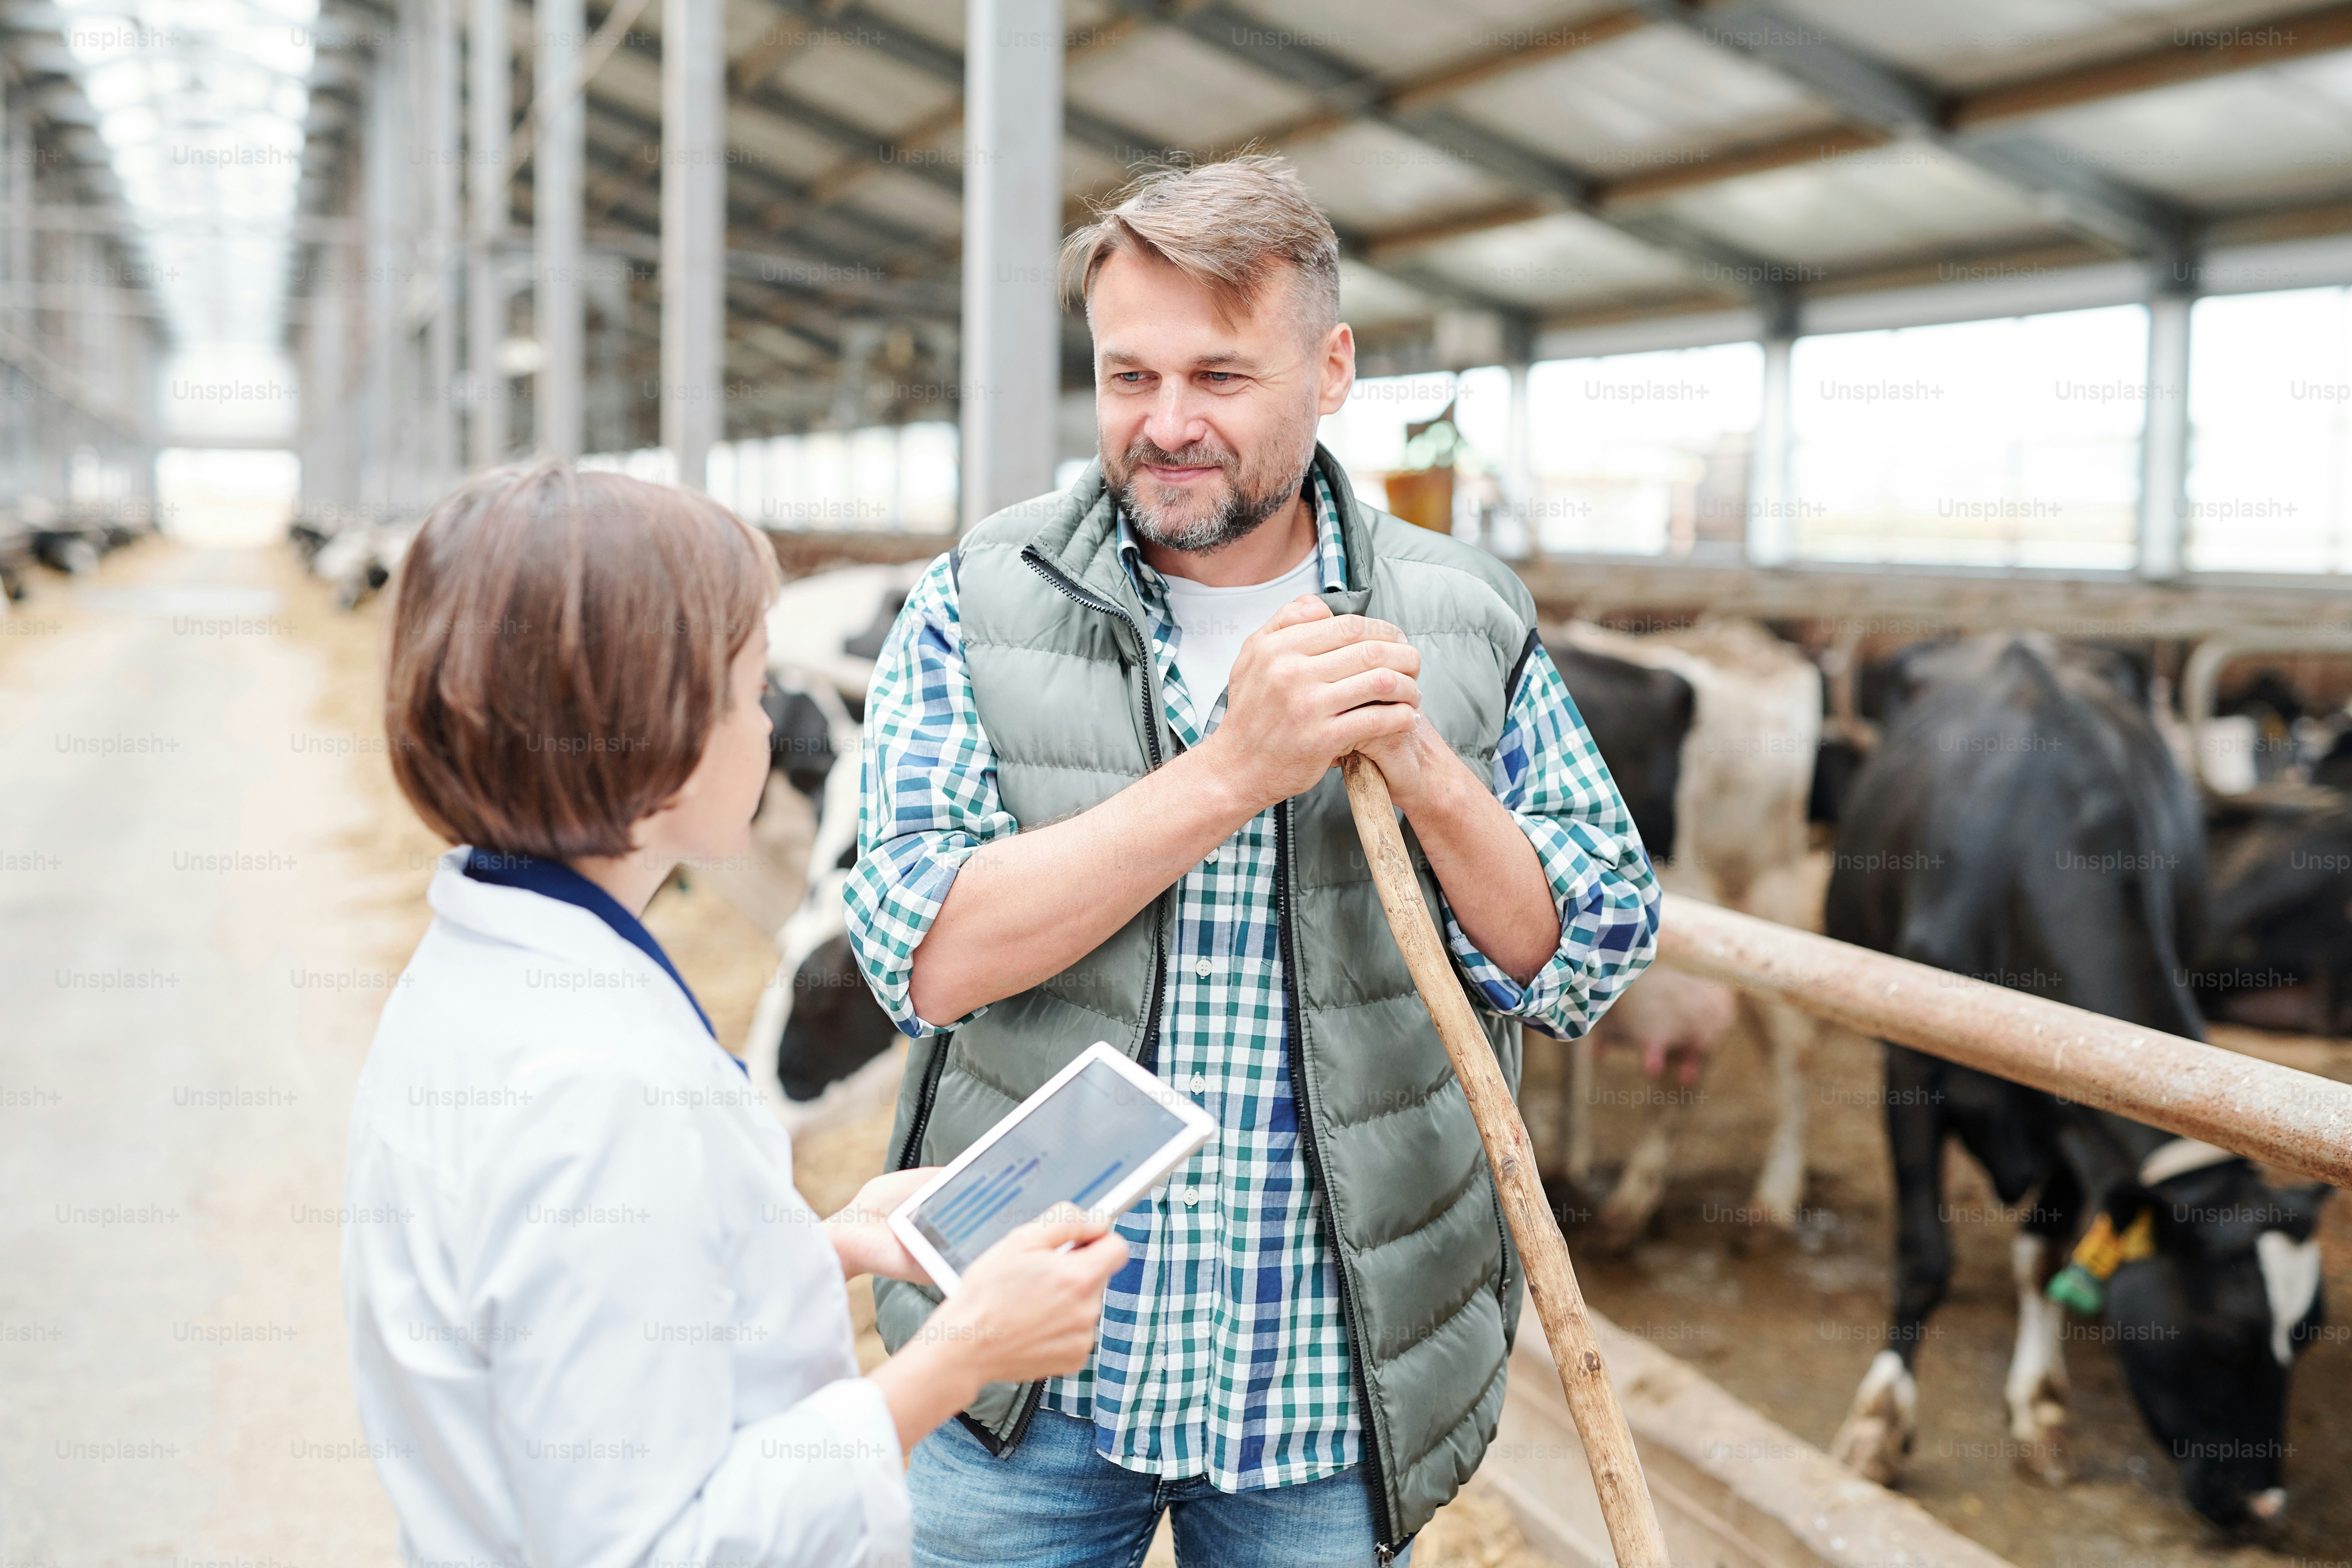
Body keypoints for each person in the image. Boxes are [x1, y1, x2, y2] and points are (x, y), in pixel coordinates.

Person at [846, 156, 1661, 1567]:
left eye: (1221, 377)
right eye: (1127, 376)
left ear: (1332, 366)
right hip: (1023, 1371)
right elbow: (918, 953)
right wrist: (1235, 770)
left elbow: (1585, 951)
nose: (1166, 424)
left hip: (1333, 1386)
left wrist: (1424, 767)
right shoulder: (982, 596)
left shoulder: (1463, 617)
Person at [340, 464, 1127, 1568]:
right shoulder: (597, 1087)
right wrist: (959, 1354)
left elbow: (574, 1335)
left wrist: (815, 1248)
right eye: (750, 688)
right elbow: (657, 1544)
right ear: (654, 731)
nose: (768, 727)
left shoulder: (483, 975)